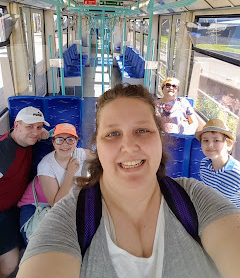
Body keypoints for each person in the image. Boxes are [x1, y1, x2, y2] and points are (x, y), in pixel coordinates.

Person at [17, 84, 240, 278]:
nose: (129, 146)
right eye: (113, 134)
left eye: (142, 130)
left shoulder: (195, 200)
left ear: (160, 139)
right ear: (98, 147)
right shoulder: (70, 218)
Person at [18, 123, 92, 245]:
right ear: (53, 142)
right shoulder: (46, 165)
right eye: (59, 140)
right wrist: (70, 173)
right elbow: (56, 204)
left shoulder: (79, 154)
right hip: (35, 207)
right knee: (40, 246)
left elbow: (101, 156)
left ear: (76, 141)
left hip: (63, 204)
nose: (65, 144)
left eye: (70, 139)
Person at [0, 106, 49, 278]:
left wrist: (45, 133)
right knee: (9, 265)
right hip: (2, 212)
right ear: (16, 125)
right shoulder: (4, 152)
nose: (35, 132)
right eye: (30, 127)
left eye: (39, 127)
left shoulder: (26, 140)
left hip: (14, 207)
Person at [195, 118, 240, 208]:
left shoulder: (237, 173)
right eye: (205, 140)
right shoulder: (204, 164)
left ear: (229, 144)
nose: (210, 145)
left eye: (216, 140)